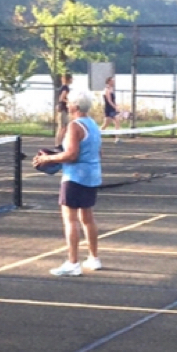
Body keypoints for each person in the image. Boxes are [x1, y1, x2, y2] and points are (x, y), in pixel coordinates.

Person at [34, 90, 103, 276]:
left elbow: (71, 155)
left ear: (76, 106)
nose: (67, 104)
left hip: (75, 178)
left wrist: (47, 160)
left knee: (70, 220)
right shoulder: (94, 125)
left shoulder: (75, 126)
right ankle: (94, 258)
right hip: (92, 176)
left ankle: (73, 263)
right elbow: (95, 152)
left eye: (70, 102)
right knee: (87, 218)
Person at [54, 72, 72, 144]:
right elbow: (61, 98)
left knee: (63, 127)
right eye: (71, 79)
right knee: (62, 127)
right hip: (63, 109)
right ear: (69, 79)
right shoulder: (65, 88)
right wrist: (69, 101)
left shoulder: (64, 87)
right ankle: (59, 143)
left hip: (63, 109)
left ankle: (60, 143)